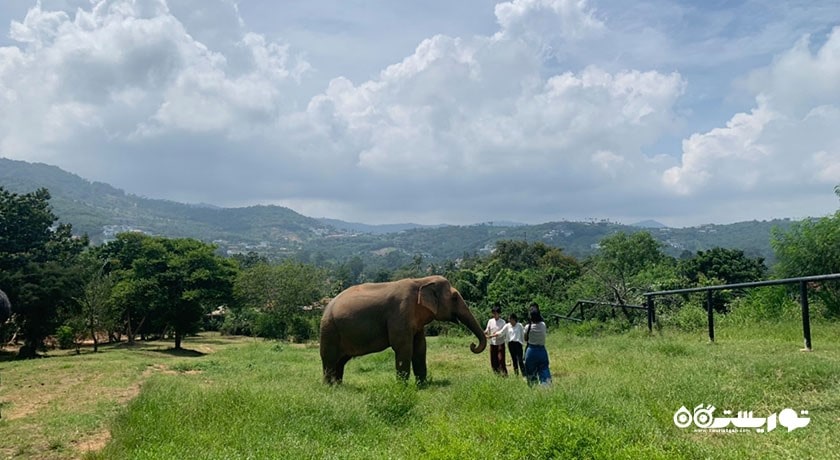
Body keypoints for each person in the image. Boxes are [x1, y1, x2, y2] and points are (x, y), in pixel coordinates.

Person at [524, 304, 551, 386]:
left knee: (531, 372)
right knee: (544, 369)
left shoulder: (528, 327)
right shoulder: (543, 325)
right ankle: (546, 387)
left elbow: (525, 339)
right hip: (542, 350)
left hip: (531, 351)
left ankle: (533, 387)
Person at [484, 305, 508, 376]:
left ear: (499, 313)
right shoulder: (490, 321)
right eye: (493, 313)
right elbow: (487, 330)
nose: (494, 315)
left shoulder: (503, 322)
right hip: (492, 343)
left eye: (496, 313)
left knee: (501, 359)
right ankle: (496, 374)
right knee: (493, 360)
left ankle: (504, 374)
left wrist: (491, 336)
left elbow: (501, 333)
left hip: (500, 343)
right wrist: (484, 333)